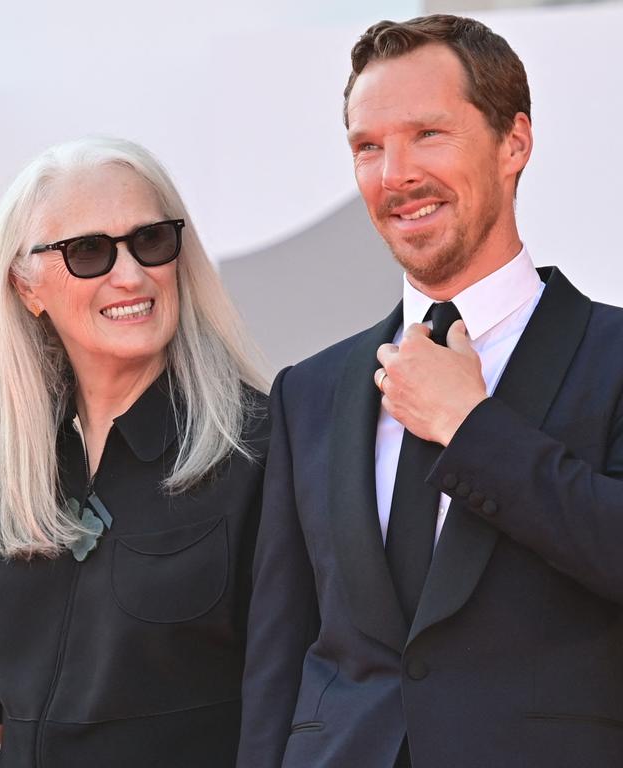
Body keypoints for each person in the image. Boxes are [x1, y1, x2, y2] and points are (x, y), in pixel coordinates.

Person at [239, 13, 623, 768]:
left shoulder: (613, 357)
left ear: (514, 142)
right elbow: (279, 653)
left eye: (428, 135)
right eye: (368, 147)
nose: (396, 174)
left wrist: (473, 429)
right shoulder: (307, 392)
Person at [0, 136, 268, 766]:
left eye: (151, 240)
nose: (131, 274)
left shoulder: (258, 448)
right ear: (27, 286)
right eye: (88, 252)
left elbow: (303, 705)